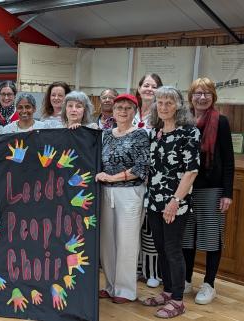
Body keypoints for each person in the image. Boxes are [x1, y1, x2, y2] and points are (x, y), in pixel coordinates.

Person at [142, 86, 199, 319]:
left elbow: (191, 171)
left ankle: (178, 301)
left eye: (169, 102)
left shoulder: (189, 132)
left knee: (174, 250)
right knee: (161, 249)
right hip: (154, 201)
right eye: (160, 103)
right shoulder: (156, 132)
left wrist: (175, 201)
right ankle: (167, 291)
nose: (164, 107)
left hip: (176, 202)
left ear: (179, 106)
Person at [182, 78, 234, 304]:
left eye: (207, 94)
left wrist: (227, 193)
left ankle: (209, 284)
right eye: (197, 93)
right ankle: (185, 279)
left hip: (212, 188)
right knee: (186, 237)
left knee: (211, 238)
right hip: (185, 187)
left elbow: (229, 160)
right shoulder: (183, 120)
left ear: (213, 97)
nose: (202, 98)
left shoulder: (220, 121)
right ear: (190, 96)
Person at [96, 94, 149, 304]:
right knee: (107, 242)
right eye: (119, 108)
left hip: (129, 192)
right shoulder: (106, 135)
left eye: (128, 108)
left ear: (134, 111)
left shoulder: (140, 135)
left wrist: (113, 177)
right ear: (113, 111)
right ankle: (110, 286)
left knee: (126, 242)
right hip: (106, 192)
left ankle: (126, 290)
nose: (123, 111)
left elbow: (141, 167)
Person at [136, 73, 164, 288]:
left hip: (152, 178)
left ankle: (152, 271)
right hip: (130, 178)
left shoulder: (160, 115)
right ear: (139, 88)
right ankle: (136, 267)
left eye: (153, 86)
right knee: (133, 226)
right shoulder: (131, 111)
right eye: (145, 85)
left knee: (149, 226)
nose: (149, 89)